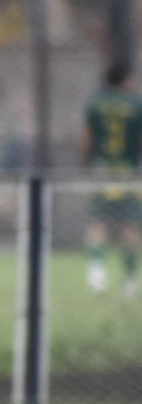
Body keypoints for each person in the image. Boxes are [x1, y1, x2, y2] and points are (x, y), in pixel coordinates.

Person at [82, 61, 142, 298]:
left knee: (98, 223)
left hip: (103, 171)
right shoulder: (136, 103)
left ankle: (97, 275)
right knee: (130, 226)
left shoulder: (96, 102)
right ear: (126, 79)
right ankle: (129, 281)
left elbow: (86, 138)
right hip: (128, 172)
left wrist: (85, 166)